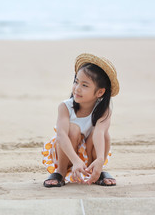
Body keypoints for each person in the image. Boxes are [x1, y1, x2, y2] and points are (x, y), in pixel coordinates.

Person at [42, 53, 119, 187]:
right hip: (67, 153)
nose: (77, 88)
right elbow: (61, 135)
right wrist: (76, 160)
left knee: (103, 133)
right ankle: (60, 172)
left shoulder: (104, 111)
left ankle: (96, 170)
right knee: (73, 129)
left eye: (84, 85)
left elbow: (100, 134)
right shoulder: (65, 107)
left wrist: (101, 159)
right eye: (76, 81)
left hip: (89, 157)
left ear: (100, 92)